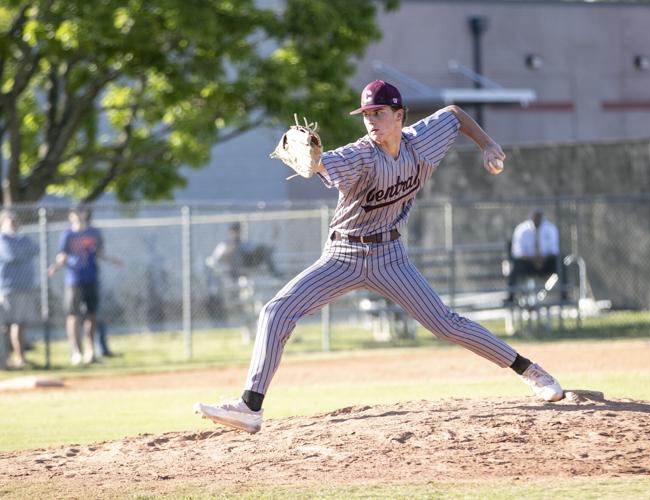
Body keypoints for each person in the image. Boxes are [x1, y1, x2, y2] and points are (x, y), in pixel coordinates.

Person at [194, 80, 564, 433]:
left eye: (378, 113)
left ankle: (532, 371)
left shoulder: (421, 142)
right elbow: (325, 165)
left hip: (391, 257)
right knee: (276, 311)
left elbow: (454, 114)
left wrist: (488, 144)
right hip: (343, 255)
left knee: (445, 324)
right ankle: (250, 407)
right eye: (366, 114)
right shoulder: (360, 155)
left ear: (399, 115)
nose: (371, 121)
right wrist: (317, 161)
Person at [48, 207, 122, 365]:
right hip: (74, 279)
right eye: (75, 213)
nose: (78, 216)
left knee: (92, 315)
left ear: (85, 214)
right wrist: (56, 265)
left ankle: (91, 351)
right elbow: (62, 255)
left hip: (91, 278)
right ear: (70, 216)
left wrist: (111, 260)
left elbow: (100, 252)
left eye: (81, 212)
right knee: (73, 315)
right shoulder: (67, 235)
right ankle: (76, 352)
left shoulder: (94, 233)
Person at [0, 210, 39, 369]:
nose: (15, 225)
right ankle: (8, 359)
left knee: (21, 324)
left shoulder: (23, 238)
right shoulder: (2, 239)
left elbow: (36, 249)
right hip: (9, 288)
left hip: (26, 287)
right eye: (11, 222)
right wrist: (24, 251)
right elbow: (11, 255)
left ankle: (20, 357)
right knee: (9, 324)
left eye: (16, 222)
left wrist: (21, 249)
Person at [506, 209, 566, 303]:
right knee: (515, 266)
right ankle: (511, 297)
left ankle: (564, 296)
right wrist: (532, 259)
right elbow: (517, 252)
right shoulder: (522, 229)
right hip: (528, 263)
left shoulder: (550, 228)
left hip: (546, 262)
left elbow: (554, 250)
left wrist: (543, 258)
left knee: (561, 263)